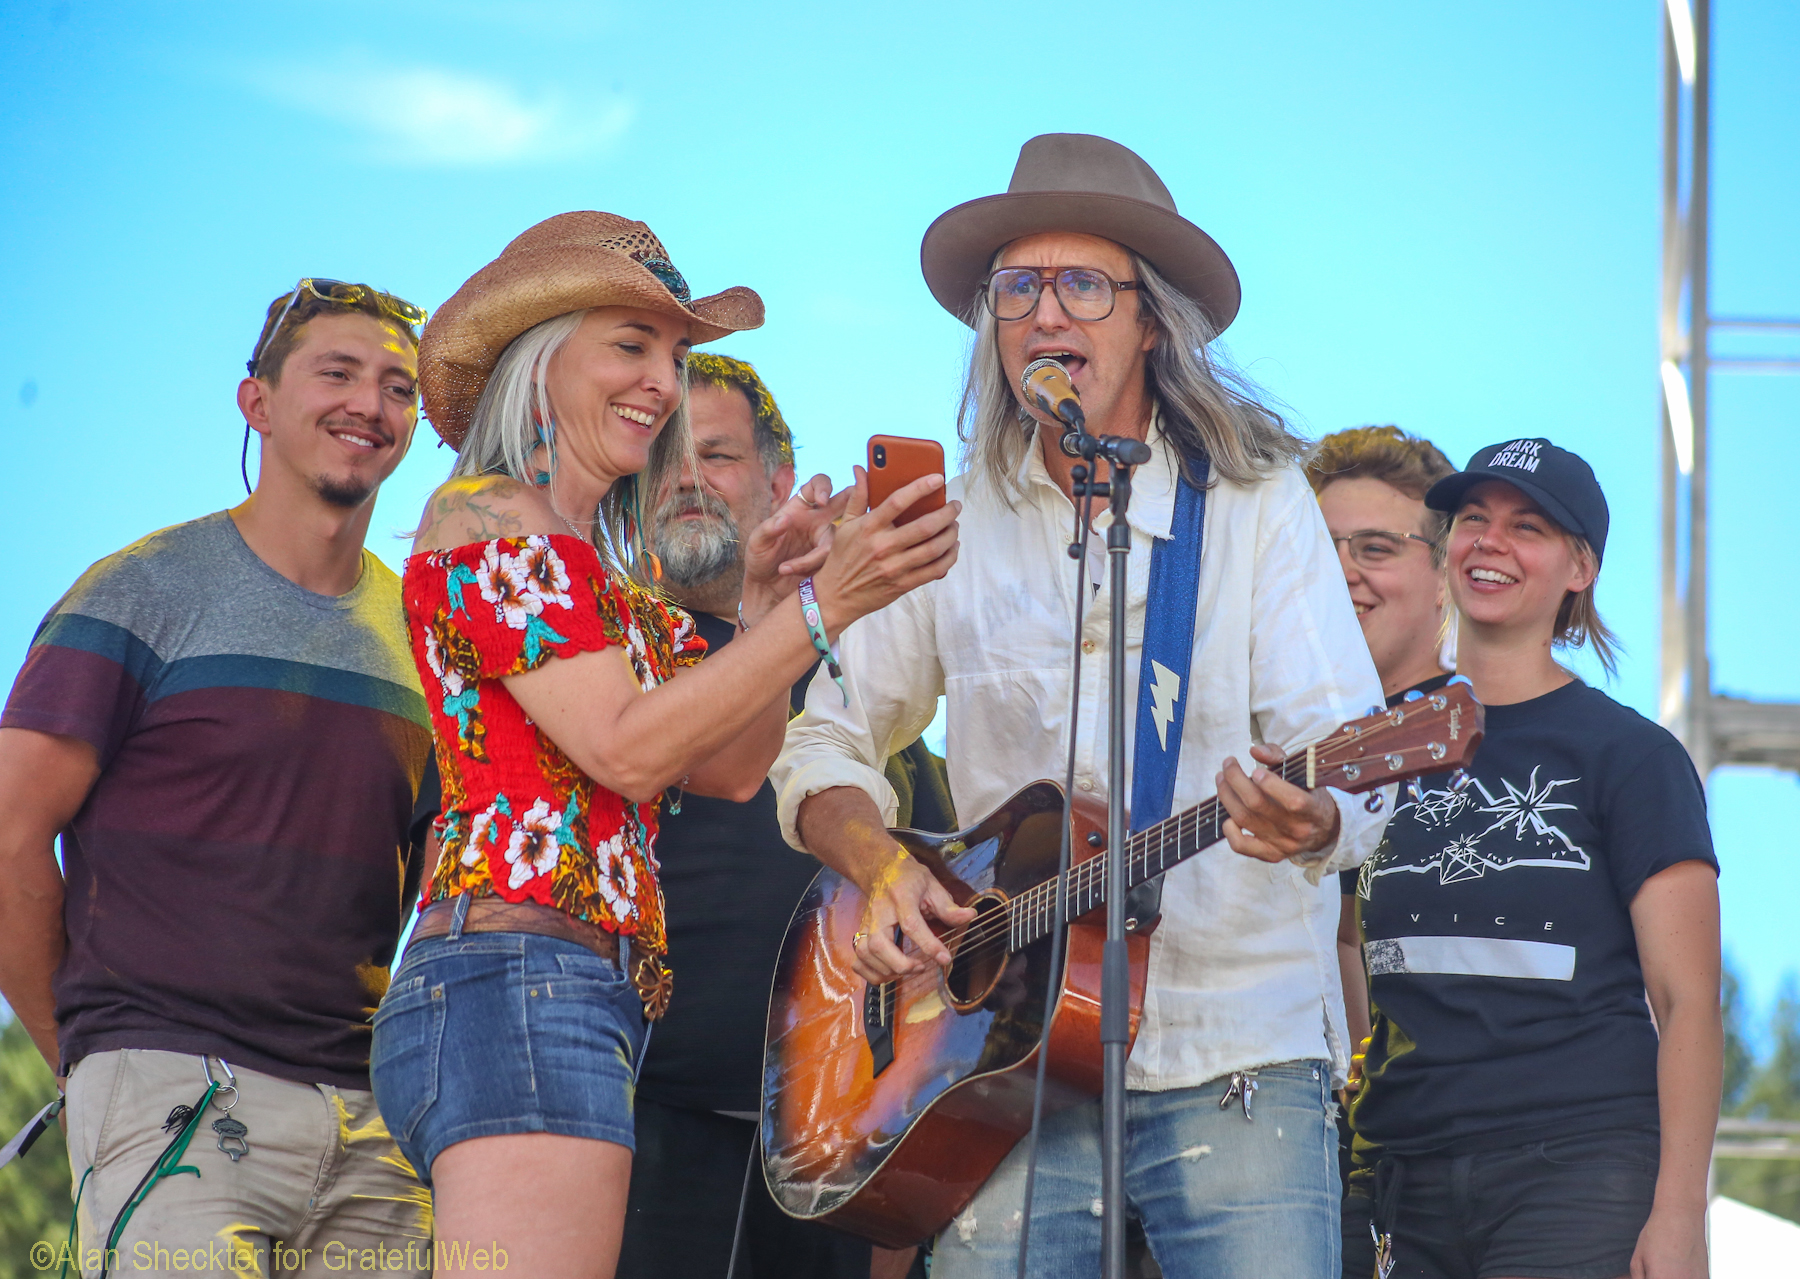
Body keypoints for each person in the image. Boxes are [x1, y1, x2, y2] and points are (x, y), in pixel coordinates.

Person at [772, 134, 1389, 1278]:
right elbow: (824, 736)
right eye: (1018, 287)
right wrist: (879, 863)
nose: (1046, 312)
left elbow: (1351, 758)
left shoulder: (1257, 508)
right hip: (1004, 1066)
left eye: (1083, 284)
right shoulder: (945, 522)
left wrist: (1318, 821)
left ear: (1149, 321)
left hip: (1234, 1043)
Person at [371, 212, 960, 1279]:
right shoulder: (487, 512)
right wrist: (823, 613)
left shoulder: (615, 590)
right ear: (541, 362)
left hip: (572, 993)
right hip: (516, 973)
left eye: (675, 356)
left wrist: (770, 596)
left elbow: (732, 771)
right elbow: (629, 751)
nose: (661, 382)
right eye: (630, 347)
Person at [0, 279, 436, 1276]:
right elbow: (10, 835)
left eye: (397, 387)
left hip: (373, 1128)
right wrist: (92, 1057)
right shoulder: (143, 589)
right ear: (259, 403)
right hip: (173, 1094)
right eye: (337, 372)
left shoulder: (429, 635)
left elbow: (434, 877)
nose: (368, 404)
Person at [1341, 439, 1720, 1279]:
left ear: (1579, 566)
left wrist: (1681, 1213)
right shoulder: (1367, 744)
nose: (1490, 541)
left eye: (1528, 526)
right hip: (1397, 1175)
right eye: (1473, 518)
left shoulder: (1630, 753)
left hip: (1577, 1168)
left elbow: (1686, 1000)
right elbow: (1343, 935)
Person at [617, 352, 952, 1279]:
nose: (685, 476)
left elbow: (941, 900)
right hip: (635, 1115)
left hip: (835, 1135)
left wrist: (900, 1206)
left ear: (777, 478)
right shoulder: (597, 657)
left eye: (715, 455)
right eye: (663, 457)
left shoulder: (869, 667)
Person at [1305, 424, 1457, 1183]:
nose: (1340, 573)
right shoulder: (1260, 746)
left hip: (1456, 1160)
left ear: (1446, 574)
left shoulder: (1504, 748)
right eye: (1320, 549)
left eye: (1374, 548)